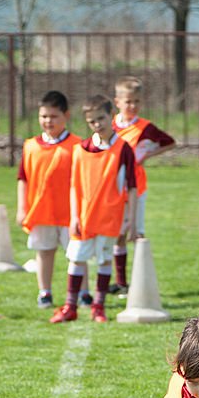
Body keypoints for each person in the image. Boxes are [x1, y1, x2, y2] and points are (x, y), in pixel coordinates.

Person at [50, 95, 137, 324]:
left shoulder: (123, 149)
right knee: (76, 259)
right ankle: (70, 306)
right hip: (85, 217)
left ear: (111, 117)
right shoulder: (81, 149)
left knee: (105, 260)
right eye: (92, 121)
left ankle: (98, 306)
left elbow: (132, 188)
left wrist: (132, 221)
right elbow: (74, 185)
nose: (98, 124)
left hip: (111, 217)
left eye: (102, 118)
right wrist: (75, 215)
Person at [16, 90, 91, 310]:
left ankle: (83, 293)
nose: (48, 121)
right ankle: (45, 292)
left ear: (66, 116)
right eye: (44, 116)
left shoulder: (78, 145)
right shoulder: (30, 145)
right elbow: (23, 178)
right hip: (42, 212)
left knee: (77, 255)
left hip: (71, 214)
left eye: (54, 116)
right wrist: (22, 208)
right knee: (44, 252)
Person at [111, 76, 175, 295]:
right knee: (118, 233)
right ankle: (121, 282)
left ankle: (140, 282)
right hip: (113, 188)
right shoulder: (108, 125)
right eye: (128, 101)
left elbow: (169, 142)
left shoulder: (145, 127)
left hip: (136, 186)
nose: (133, 106)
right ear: (117, 101)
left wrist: (147, 154)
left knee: (136, 232)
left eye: (137, 101)